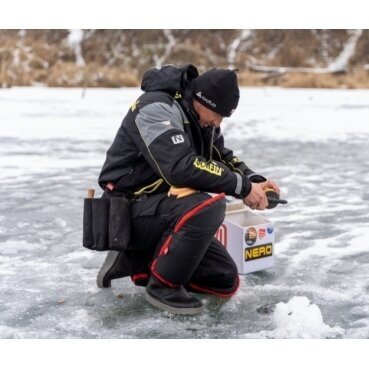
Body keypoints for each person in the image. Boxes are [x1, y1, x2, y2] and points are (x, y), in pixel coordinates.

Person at [96, 64, 280, 315]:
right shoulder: (155, 108)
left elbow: (221, 156)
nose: (218, 121)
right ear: (201, 99)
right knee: (208, 205)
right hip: (124, 210)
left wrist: (253, 180)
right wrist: (242, 188)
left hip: (160, 207)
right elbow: (179, 167)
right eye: (217, 114)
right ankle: (162, 285)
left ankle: (141, 261)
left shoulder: (202, 119)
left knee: (224, 280)